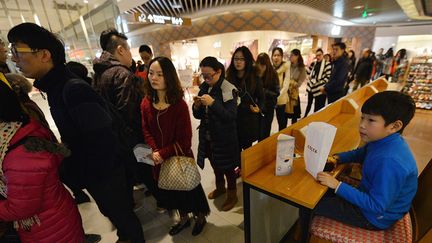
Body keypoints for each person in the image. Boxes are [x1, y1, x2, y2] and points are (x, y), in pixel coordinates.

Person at [8, 23, 145, 243]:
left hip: (106, 175)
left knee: (121, 215)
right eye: (11, 52)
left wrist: (79, 173)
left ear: (44, 55)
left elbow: (103, 142)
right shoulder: (56, 87)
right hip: (99, 174)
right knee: (117, 215)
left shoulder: (71, 88)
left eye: (18, 51)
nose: (14, 59)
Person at [300, 91, 418, 242]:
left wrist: (337, 185)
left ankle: (302, 239)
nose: (362, 125)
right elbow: (362, 153)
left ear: (394, 126)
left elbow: (376, 206)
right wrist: (338, 158)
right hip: (373, 199)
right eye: (362, 117)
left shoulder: (390, 162)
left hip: (373, 217)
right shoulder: (385, 141)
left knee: (308, 204)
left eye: (371, 120)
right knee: (319, 192)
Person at [0, 75, 85, 243]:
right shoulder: (18, 130)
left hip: (48, 229)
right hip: (53, 221)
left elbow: (22, 208)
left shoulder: (19, 155)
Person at [141, 56, 210, 236]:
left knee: (189, 189)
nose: (153, 77)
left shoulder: (178, 105)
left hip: (180, 158)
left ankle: (200, 216)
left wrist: (161, 153)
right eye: (151, 73)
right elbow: (146, 130)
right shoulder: (146, 103)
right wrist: (154, 151)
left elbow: (185, 141)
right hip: (159, 159)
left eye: (160, 74)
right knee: (172, 192)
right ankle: (184, 218)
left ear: (169, 77)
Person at [92, 28, 150, 209]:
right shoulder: (122, 74)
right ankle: (162, 200)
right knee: (146, 169)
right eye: (129, 50)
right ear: (120, 50)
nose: (130, 55)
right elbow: (129, 113)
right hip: (131, 139)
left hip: (112, 139)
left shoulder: (99, 72)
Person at [193, 56, 240, 211]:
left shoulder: (228, 88)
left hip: (225, 138)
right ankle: (221, 188)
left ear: (219, 71)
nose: (205, 79)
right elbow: (198, 116)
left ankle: (232, 195)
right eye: (203, 76)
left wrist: (212, 103)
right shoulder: (205, 87)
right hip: (209, 137)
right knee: (215, 165)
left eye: (208, 76)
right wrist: (197, 106)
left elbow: (230, 116)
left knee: (228, 168)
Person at [226, 46, 264, 150]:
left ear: (247, 60)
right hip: (233, 120)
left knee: (247, 151)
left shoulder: (255, 77)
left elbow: (261, 98)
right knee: (235, 151)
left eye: (241, 59)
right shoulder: (228, 77)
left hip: (248, 120)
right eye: (236, 59)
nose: (238, 62)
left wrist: (259, 108)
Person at [256, 53, 279, 140]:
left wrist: (263, 91)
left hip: (268, 108)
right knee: (257, 133)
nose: (260, 67)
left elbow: (277, 93)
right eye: (259, 64)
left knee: (265, 134)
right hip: (257, 108)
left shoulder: (273, 74)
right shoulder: (255, 74)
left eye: (262, 64)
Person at [304, 48, 332, 117]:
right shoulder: (314, 63)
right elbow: (309, 72)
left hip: (320, 89)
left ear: (322, 55)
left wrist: (320, 84)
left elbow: (327, 78)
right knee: (309, 103)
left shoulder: (327, 64)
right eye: (317, 55)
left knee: (318, 107)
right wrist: (308, 75)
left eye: (319, 55)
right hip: (311, 87)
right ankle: (305, 116)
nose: (318, 57)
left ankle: (315, 119)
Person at [272, 47, 291, 131]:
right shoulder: (270, 69)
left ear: (282, 57)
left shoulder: (286, 68)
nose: (276, 57)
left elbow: (286, 86)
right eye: (274, 55)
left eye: (278, 55)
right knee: (269, 123)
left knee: (282, 124)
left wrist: (276, 98)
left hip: (281, 100)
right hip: (271, 100)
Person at [286, 49, 306, 124]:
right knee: (285, 114)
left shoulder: (301, 67)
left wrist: (293, 83)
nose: (290, 57)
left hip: (294, 93)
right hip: (286, 92)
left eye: (292, 55)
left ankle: (292, 129)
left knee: (294, 115)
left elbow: (300, 82)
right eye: (290, 55)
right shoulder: (288, 65)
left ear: (297, 56)